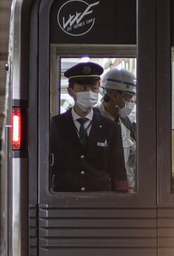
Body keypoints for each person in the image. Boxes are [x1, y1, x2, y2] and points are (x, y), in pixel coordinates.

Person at [49, 61, 129, 192]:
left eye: (94, 89)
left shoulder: (111, 128)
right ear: (71, 91)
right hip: (65, 199)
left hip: (101, 200)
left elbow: (119, 172)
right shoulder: (56, 125)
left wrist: (123, 199)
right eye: (83, 89)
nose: (90, 93)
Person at [96, 66, 138, 191]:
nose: (131, 102)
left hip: (124, 192)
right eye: (128, 97)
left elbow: (132, 161)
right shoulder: (93, 121)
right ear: (114, 95)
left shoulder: (126, 123)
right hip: (101, 193)